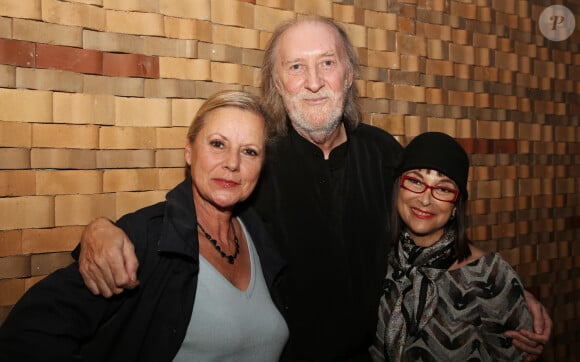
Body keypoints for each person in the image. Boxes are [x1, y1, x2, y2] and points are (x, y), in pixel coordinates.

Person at [76, 16, 551, 360]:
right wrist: (99, 232)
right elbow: (187, 215)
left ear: (349, 75)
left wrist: (499, 288)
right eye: (296, 67)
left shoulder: (384, 151)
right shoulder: (255, 158)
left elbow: (430, 218)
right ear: (276, 84)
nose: (315, 82)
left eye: (327, 63)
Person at [0, 90, 289, 361]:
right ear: (189, 150)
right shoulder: (147, 239)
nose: (232, 163)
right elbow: (27, 334)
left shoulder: (264, 238)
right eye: (217, 144)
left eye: (249, 151)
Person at [370, 132, 534, 361]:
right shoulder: (378, 259)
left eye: (444, 189)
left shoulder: (489, 276)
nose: (426, 199)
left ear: (456, 206)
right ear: (398, 187)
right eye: (416, 181)